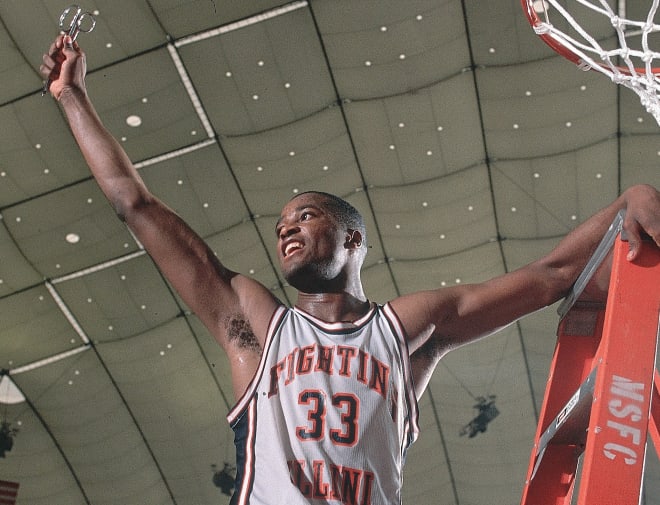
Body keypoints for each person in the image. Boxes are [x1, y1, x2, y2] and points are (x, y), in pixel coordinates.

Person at [41, 34, 660, 505]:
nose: (286, 227)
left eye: (304, 216)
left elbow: (549, 277)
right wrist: (72, 97)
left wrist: (624, 205)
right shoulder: (252, 319)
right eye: (281, 223)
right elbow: (135, 203)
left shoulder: (409, 329)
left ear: (353, 239)